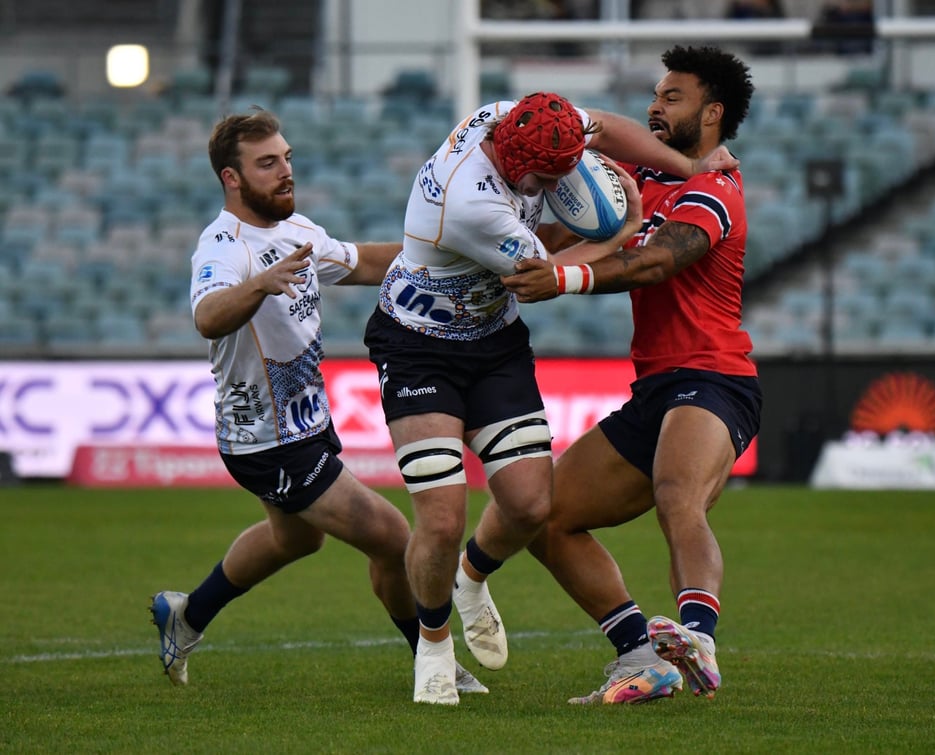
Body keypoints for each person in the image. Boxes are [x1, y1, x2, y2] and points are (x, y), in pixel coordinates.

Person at [364, 91, 737, 705]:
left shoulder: (521, 114)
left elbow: (609, 128)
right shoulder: (471, 204)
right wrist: (624, 229)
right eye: (549, 177)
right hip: (418, 344)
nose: (558, 182)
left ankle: (469, 582)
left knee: (533, 506)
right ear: (518, 164)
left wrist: (692, 170)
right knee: (442, 516)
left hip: (495, 344)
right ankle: (433, 647)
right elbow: (545, 276)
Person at [148, 107, 486, 696]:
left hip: (306, 424)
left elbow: (366, 263)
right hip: (265, 439)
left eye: (287, 158)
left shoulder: (295, 229)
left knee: (296, 539)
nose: (285, 171)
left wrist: (449, 253)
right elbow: (207, 316)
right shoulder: (223, 247)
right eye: (267, 163)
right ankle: (431, 660)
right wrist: (256, 285)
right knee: (391, 537)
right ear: (232, 178)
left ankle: (187, 614)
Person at [502, 45, 759, 704]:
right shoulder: (639, 177)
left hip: (715, 377)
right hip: (654, 389)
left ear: (713, 112)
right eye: (656, 93)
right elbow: (582, 147)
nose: (655, 104)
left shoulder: (716, 188)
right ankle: (642, 656)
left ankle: (698, 636)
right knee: (545, 515)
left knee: (679, 492)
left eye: (673, 97)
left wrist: (563, 277)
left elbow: (656, 263)